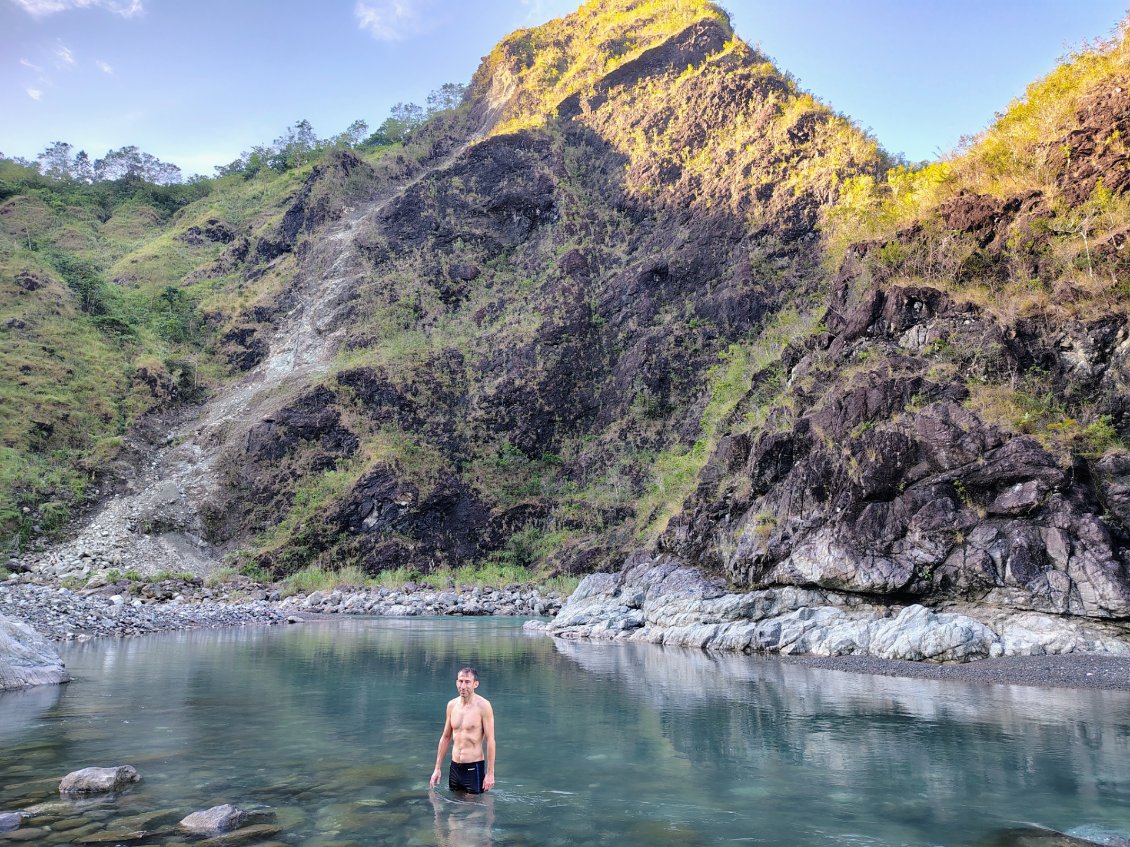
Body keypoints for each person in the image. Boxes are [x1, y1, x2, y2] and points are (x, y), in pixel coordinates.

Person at [429, 666, 496, 794]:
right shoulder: (452, 705)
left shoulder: (483, 706)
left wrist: (490, 773)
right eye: (460, 681)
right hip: (454, 767)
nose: (463, 686)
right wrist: (437, 768)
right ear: (456, 682)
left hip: (473, 766)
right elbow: (446, 737)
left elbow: (490, 740)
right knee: (454, 808)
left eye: (467, 682)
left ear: (475, 684)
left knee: (474, 809)